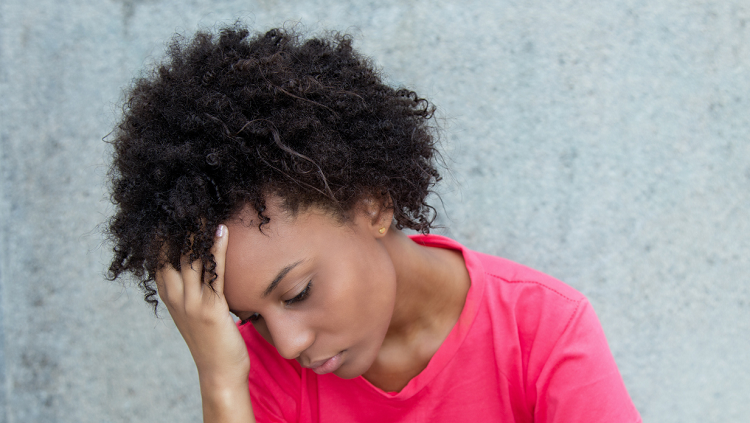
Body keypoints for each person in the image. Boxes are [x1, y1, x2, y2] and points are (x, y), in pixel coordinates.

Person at [106, 24, 642, 422]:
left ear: (374, 204)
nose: (288, 343)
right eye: (252, 319)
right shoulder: (261, 373)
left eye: (297, 292)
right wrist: (219, 380)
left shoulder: (540, 332)